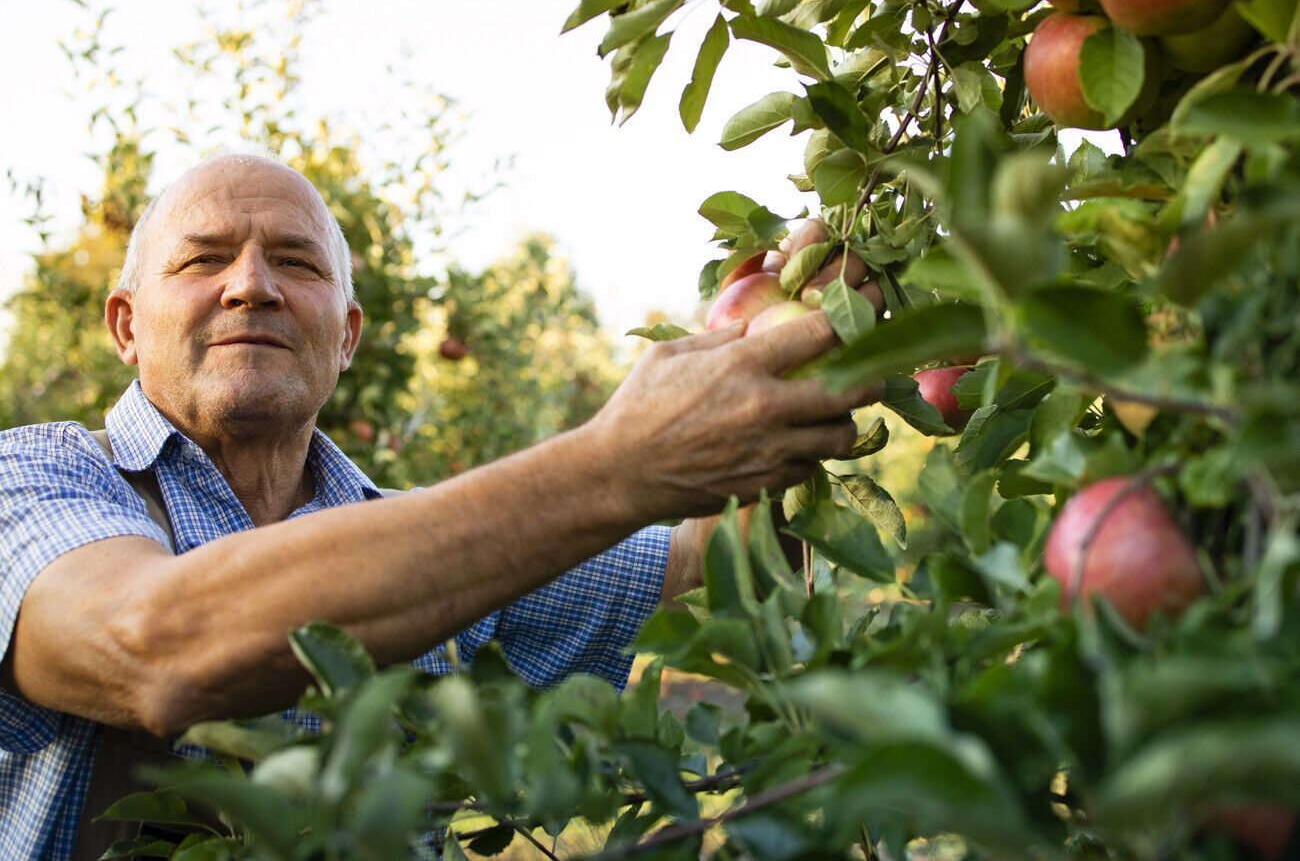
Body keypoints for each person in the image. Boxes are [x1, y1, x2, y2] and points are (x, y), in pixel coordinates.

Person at [0, 152, 879, 859]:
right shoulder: (36, 480)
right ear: (124, 325)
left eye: (297, 263)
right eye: (203, 258)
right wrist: (620, 461)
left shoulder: (442, 548)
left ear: (345, 336)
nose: (251, 285)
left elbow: (705, 566)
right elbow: (159, 646)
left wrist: (784, 352)